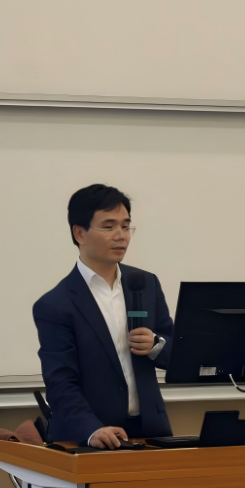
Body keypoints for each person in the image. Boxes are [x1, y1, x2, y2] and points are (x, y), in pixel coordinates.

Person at [33, 184, 174, 448]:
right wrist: (91, 430)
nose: (121, 236)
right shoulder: (55, 305)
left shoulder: (145, 284)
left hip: (150, 430)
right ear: (80, 233)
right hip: (90, 436)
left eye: (126, 226)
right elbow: (61, 382)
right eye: (109, 227)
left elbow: (178, 351)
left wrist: (157, 345)